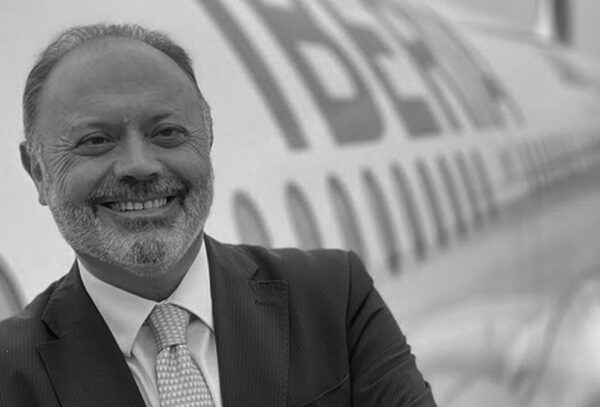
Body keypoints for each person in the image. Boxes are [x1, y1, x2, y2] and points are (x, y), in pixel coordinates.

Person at [0, 24, 436, 407]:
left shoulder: (334, 298)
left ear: (207, 141)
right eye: (96, 140)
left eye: (167, 133)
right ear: (38, 172)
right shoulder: (9, 375)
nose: (140, 165)